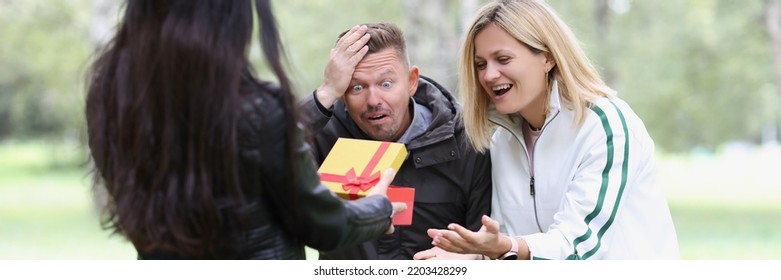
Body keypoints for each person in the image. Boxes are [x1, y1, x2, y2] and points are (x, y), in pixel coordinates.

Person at [84, 0, 405, 260]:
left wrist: (325, 95)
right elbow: (321, 225)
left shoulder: (111, 97)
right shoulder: (256, 107)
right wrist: (378, 208)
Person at [414, 0, 679, 260]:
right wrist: (469, 256)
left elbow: (577, 246)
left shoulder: (605, 125)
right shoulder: (501, 140)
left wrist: (500, 246)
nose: (488, 75)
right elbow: (508, 239)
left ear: (548, 58)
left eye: (503, 59)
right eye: (481, 64)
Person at [299, 23, 492, 259]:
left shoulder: (465, 138)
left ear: (412, 81)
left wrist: (470, 257)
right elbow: (263, 159)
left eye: (386, 84)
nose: (373, 100)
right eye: (357, 87)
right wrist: (325, 93)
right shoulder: (322, 135)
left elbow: (486, 241)